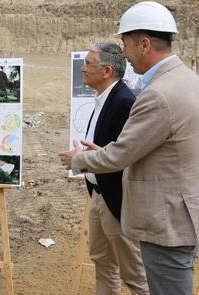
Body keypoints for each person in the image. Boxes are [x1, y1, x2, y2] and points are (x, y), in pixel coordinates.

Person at [59, 1, 199, 295]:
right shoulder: (188, 80)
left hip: (166, 219)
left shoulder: (158, 94)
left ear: (144, 44)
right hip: (184, 211)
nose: (125, 54)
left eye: (126, 44)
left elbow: (120, 154)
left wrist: (80, 159)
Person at [80, 43, 148, 295]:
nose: (83, 69)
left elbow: (133, 155)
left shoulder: (124, 102)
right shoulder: (105, 98)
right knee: (101, 260)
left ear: (107, 70)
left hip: (118, 200)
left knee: (133, 271)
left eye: (88, 63)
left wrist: (96, 155)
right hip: (99, 193)